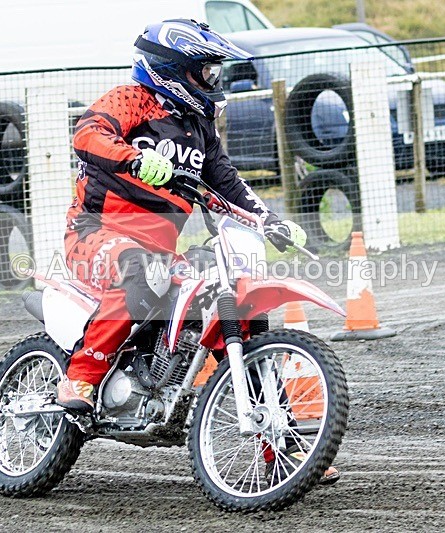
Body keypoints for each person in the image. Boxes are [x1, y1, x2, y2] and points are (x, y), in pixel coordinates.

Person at [56, 19, 339, 484]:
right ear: (172, 68)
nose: (214, 80)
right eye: (206, 71)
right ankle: (81, 377)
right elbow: (87, 134)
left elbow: (227, 181)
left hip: (159, 248)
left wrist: (269, 221)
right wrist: (134, 158)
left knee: (234, 311)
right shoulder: (130, 100)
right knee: (139, 271)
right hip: (94, 232)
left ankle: (283, 446)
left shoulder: (198, 126)